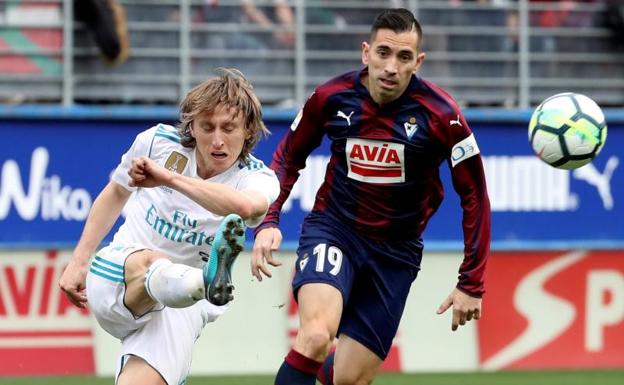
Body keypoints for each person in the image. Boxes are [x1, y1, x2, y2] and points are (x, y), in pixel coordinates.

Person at [252, 8, 491, 385]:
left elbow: (474, 196)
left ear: (419, 62)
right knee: (315, 337)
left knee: (349, 379)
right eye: (383, 53)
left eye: (404, 57)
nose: (391, 67)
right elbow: (287, 157)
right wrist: (268, 219)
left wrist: (471, 283)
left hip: (396, 252)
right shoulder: (331, 97)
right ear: (366, 53)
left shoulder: (444, 117)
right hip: (334, 229)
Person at [58, 68, 280, 385]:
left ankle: (199, 285)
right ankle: (205, 282)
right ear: (192, 126)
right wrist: (79, 261)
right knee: (153, 263)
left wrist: (168, 179)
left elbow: (246, 207)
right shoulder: (157, 143)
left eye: (229, 128)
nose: (218, 139)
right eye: (207, 127)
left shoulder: (258, 177)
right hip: (119, 272)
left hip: (180, 307)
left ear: (248, 130)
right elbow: (116, 192)